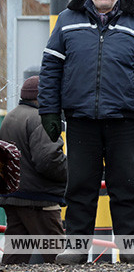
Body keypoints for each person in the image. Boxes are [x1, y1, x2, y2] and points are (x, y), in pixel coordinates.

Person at [38, 0, 134, 264]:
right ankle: (76, 247)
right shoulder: (67, 21)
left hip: (122, 120)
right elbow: (51, 69)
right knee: (80, 186)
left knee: (126, 187)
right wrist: (49, 111)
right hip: (81, 120)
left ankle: (131, 246)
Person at [0, 76, 67, 264]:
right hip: (39, 200)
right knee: (59, 258)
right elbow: (48, 160)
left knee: (14, 258)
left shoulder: (10, 117)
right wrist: (73, 173)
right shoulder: (40, 119)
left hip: (14, 197)